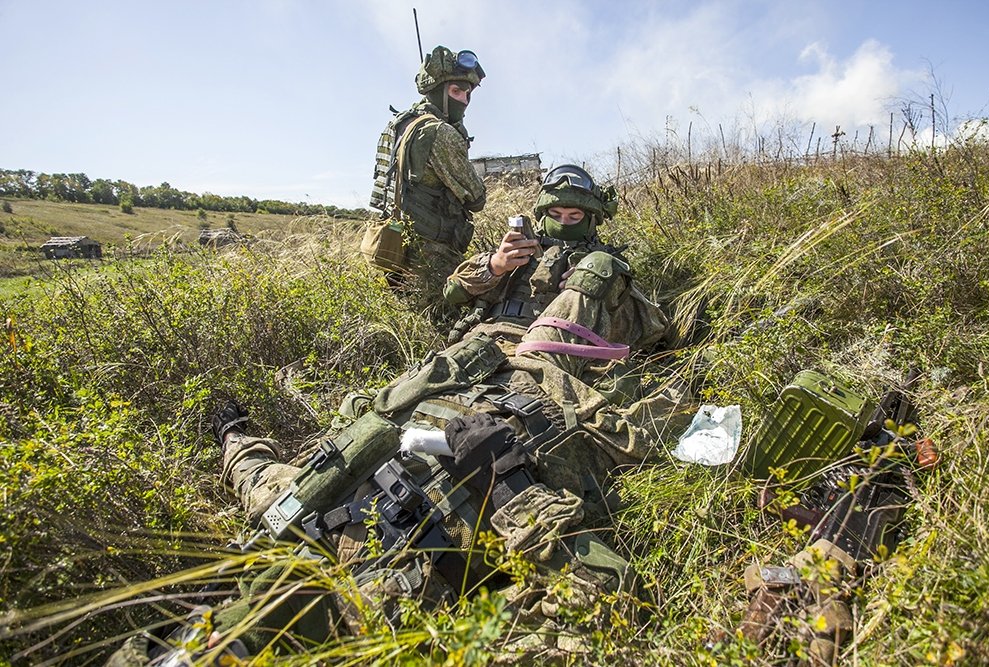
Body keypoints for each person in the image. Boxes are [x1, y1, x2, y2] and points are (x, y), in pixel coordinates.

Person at [108, 250, 696, 664]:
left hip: (485, 368)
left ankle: (646, 320)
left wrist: (233, 435)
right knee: (605, 285)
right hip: (558, 410)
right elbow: (604, 604)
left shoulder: (297, 530)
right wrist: (515, 491)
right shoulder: (392, 625)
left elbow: (261, 479)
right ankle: (675, 328)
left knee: (592, 277)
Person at [444, 164, 675, 354]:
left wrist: (594, 286)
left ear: (591, 220)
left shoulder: (606, 263)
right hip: (489, 340)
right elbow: (452, 293)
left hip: (557, 350)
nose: (563, 222)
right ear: (543, 216)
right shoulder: (520, 248)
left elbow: (650, 326)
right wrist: (496, 265)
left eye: (574, 216)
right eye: (555, 215)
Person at [365, 45, 488, 316]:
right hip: (431, 250)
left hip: (392, 242)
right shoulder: (441, 132)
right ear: (437, 92)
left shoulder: (396, 124)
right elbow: (477, 198)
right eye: (457, 92)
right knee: (441, 320)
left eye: (467, 94)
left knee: (405, 315)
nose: (464, 100)